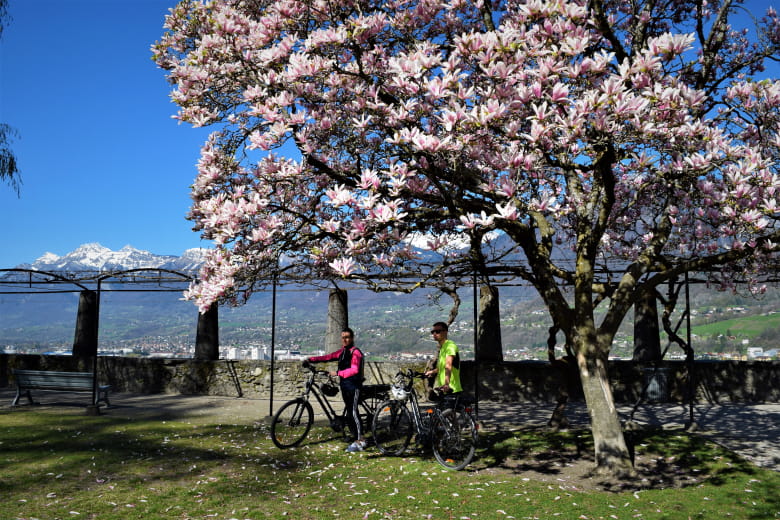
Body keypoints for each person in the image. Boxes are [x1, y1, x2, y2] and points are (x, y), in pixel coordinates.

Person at [304, 327, 366, 452]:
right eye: (343, 337)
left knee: (353, 413)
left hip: (353, 386)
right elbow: (328, 357)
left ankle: (361, 440)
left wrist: (338, 373)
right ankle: (355, 438)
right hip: (344, 386)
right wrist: (311, 359)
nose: (345, 339)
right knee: (349, 413)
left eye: (347, 337)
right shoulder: (342, 352)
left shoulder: (355, 353)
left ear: (352, 338)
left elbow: (354, 370)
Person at [424, 321, 462, 397]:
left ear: (445, 332)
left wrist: (446, 384)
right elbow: (442, 368)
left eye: (437, 331)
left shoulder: (450, 346)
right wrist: (432, 372)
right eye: (433, 332)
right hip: (443, 389)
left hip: (451, 389)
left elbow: (448, 366)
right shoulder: (443, 348)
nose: (434, 334)